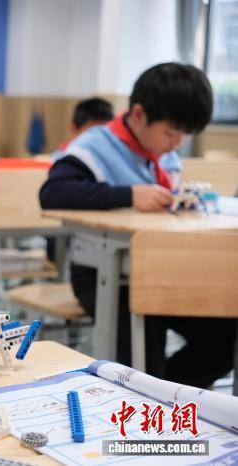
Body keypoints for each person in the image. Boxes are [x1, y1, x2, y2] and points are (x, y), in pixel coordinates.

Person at [39, 62, 235, 388]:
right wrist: (129, 194)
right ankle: (152, 393)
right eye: (171, 133)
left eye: (185, 135)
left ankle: (167, 394)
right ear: (139, 114)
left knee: (225, 337)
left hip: (164, 268)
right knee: (144, 341)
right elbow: (52, 193)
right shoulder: (94, 146)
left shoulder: (164, 152)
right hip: (104, 274)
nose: (177, 143)